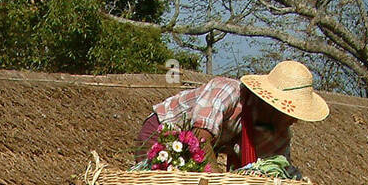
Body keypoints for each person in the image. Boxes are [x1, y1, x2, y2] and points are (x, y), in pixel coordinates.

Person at [138, 61, 329, 172]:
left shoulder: (277, 133)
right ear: (273, 107)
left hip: (194, 151)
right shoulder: (227, 91)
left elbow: (277, 171)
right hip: (163, 134)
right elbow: (200, 138)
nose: (293, 121)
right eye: (290, 114)